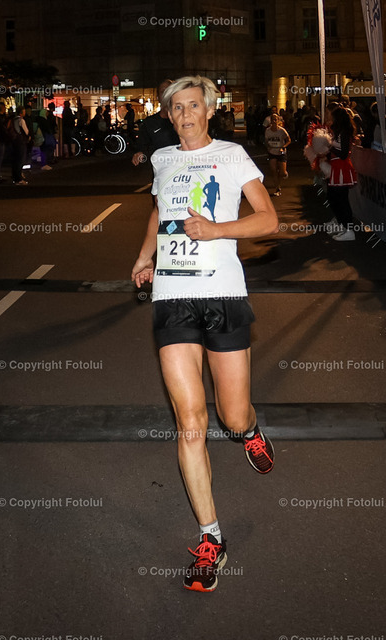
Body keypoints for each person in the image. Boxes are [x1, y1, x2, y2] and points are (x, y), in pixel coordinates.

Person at [131, 75, 279, 593]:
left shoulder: (233, 156)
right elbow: (160, 211)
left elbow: (269, 220)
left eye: (193, 105)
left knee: (231, 416)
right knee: (190, 420)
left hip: (224, 296)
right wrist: (145, 257)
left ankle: (251, 431)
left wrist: (217, 230)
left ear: (209, 111)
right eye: (176, 108)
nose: (185, 115)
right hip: (172, 298)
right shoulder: (162, 160)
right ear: (169, 115)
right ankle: (211, 536)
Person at [326, 106, 357, 241]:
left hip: (342, 168)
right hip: (335, 167)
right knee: (333, 198)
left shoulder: (344, 132)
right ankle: (342, 225)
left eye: (333, 117)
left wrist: (329, 147)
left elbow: (344, 154)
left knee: (342, 200)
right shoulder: (337, 132)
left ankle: (349, 230)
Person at [131, 80, 179, 166]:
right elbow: (142, 148)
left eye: (169, 91)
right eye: (163, 92)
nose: (166, 95)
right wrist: (139, 154)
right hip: (160, 170)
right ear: (158, 97)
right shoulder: (149, 123)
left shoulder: (184, 120)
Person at [264, 113, 291, 196]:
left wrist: (283, 147)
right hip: (272, 152)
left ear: (278, 121)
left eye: (276, 119)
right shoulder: (268, 131)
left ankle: (284, 173)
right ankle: (277, 188)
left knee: (282, 173)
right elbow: (266, 141)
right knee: (273, 170)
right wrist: (268, 146)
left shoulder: (282, 130)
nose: (274, 121)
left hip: (280, 152)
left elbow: (289, 140)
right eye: (273, 119)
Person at [10, 105, 30, 185]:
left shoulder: (13, 120)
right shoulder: (21, 120)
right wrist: (29, 137)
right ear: (21, 113)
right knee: (20, 159)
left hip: (14, 141)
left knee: (15, 160)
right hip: (21, 141)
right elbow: (26, 131)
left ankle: (15, 177)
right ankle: (19, 178)